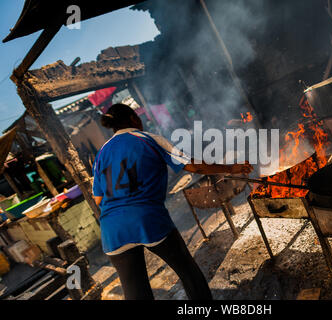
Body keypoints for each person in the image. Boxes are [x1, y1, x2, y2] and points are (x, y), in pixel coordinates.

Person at [93, 103, 253, 300]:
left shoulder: (102, 153)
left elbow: (98, 198)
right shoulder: (149, 139)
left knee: (136, 291)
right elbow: (193, 166)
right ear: (134, 118)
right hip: (147, 218)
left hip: (112, 229)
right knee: (188, 271)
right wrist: (231, 168)